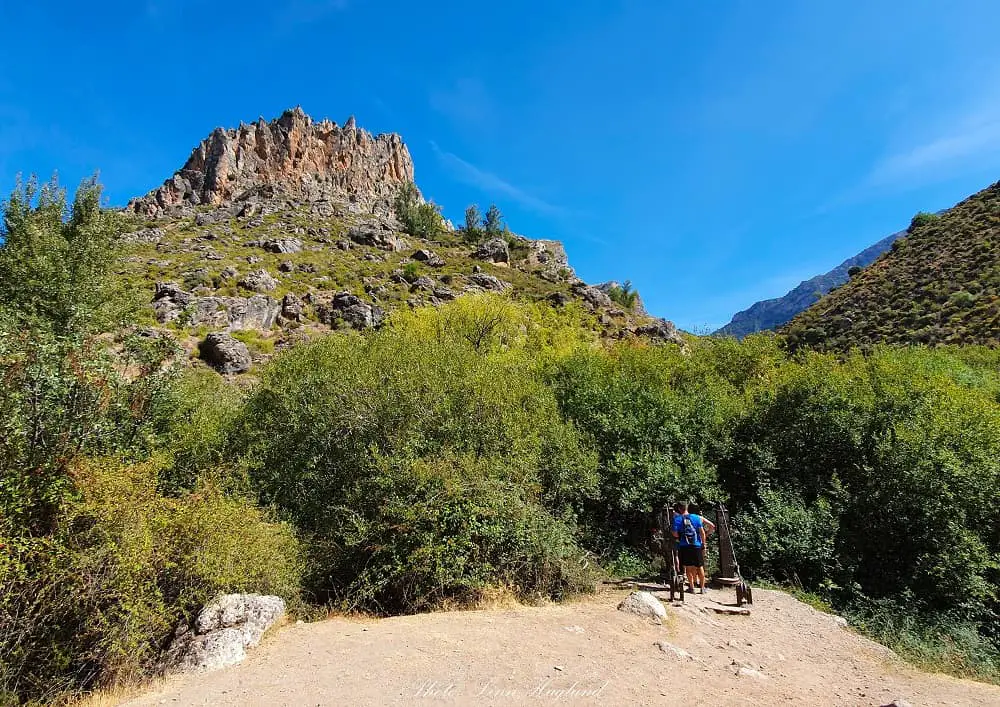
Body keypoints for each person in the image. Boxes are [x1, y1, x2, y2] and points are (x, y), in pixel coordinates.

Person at [671, 502, 706, 594]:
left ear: (679, 508)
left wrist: (679, 536)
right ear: (687, 507)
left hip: (684, 545)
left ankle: (692, 587)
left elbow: (674, 534)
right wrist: (703, 543)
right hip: (696, 545)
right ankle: (702, 588)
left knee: (688, 567)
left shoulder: (677, 519)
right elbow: (702, 532)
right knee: (700, 566)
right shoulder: (696, 517)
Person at [687, 504, 716, 593]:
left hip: (689, 543)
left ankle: (694, 582)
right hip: (700, 544)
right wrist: (706, 535)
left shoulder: (686, 518)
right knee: (700, 565)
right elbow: (712, 526)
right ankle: (702, 586)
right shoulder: (700, 518)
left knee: (691, 565)